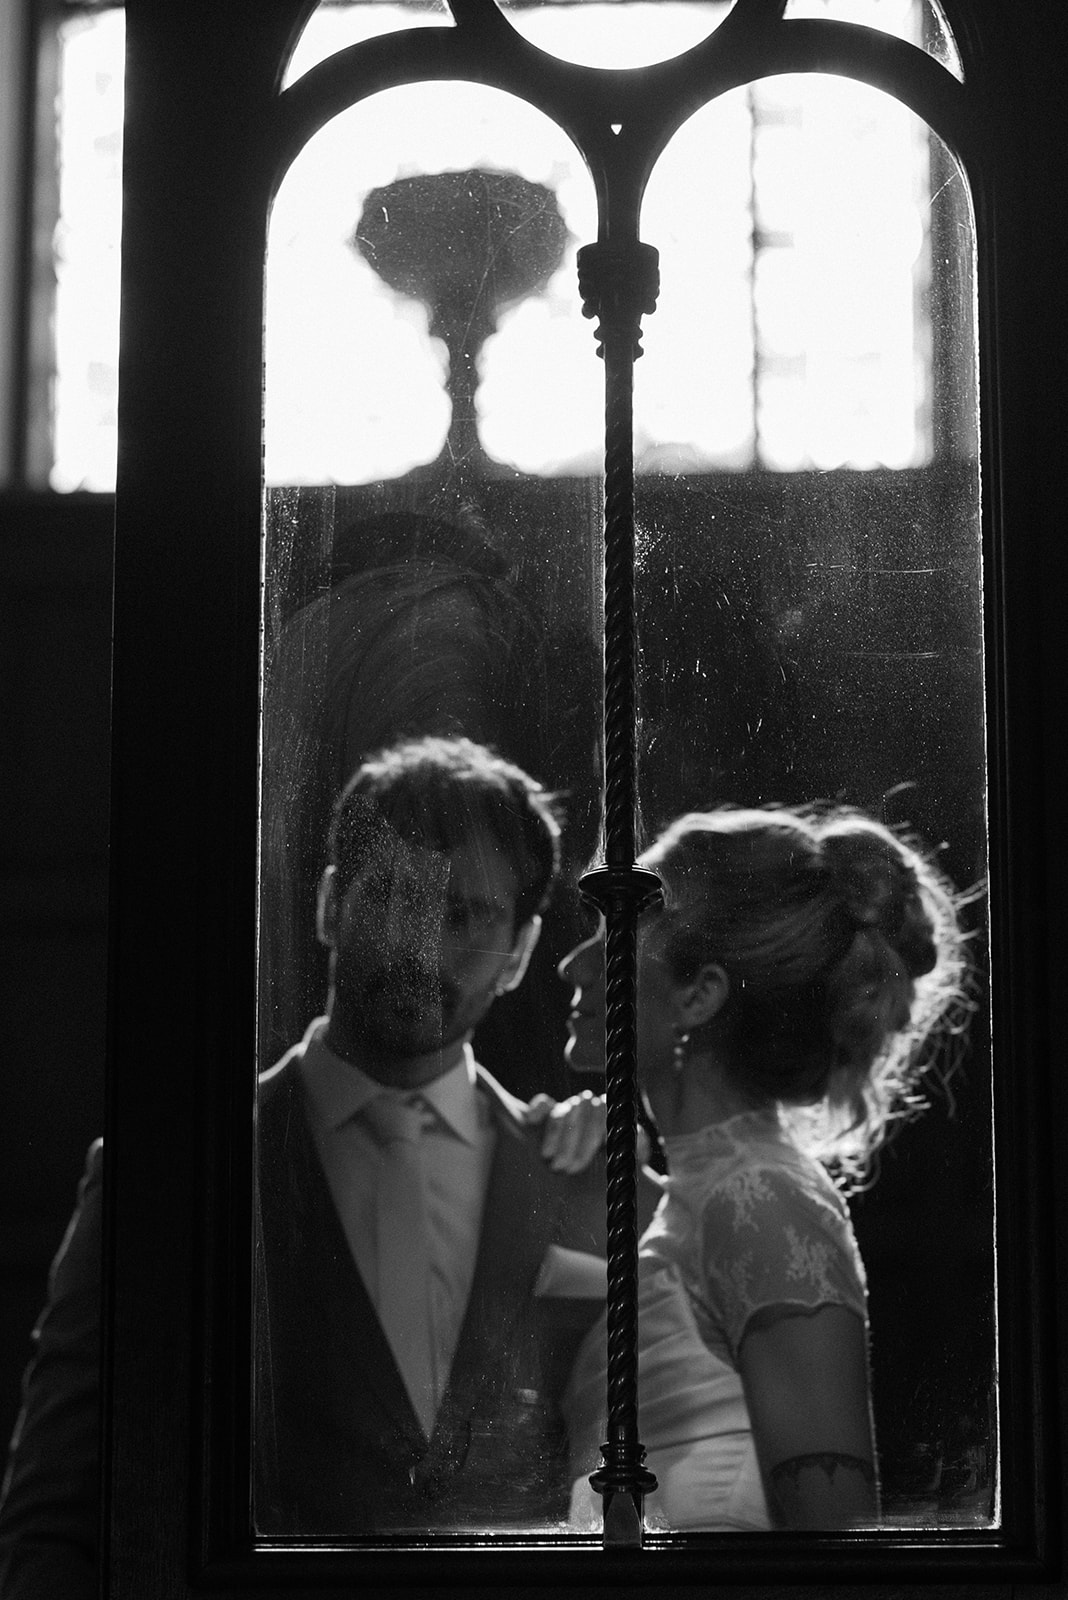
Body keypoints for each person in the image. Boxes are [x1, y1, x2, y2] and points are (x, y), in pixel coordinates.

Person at [558, 804, 970, 1532]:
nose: (574, 964)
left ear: (700, 992)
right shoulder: (699, 1194)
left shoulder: (764, 1198)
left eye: (617, 932)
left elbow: (833, 1546)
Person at [254, 735, 608, 1534]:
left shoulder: (582, 1179)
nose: (421, 947)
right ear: (329, 905)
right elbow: (63, 1499)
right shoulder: (179, 1173)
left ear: (518, 954)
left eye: (465, 914)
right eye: (390, 897)